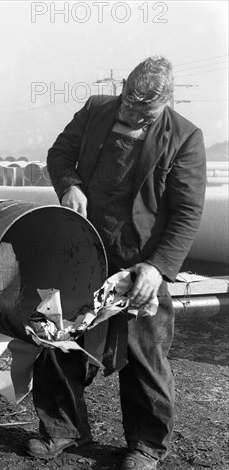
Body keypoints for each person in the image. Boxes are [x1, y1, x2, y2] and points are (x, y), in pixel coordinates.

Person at [26, 56, 206, 470]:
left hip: (141, 262)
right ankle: (60, 430)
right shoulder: (95, 110)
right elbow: (60, 155)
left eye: (143, 111)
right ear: (123, 87)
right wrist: (69, 186)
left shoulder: (184, 137)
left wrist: (157, 268)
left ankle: (145, 447)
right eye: (127, 102)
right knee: (56, 337)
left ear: (165, 103)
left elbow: (186, 213)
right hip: (81, 247)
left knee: (145, 353)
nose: (131, 113)